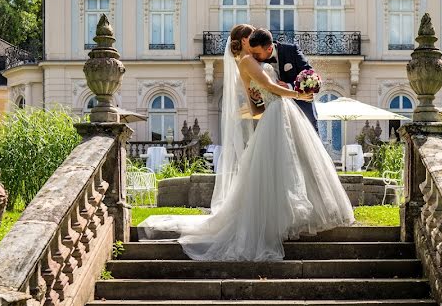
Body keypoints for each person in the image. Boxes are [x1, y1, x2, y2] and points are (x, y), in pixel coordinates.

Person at [138, 25, 354, 261]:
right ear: (243, 41)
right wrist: (296, 95)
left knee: (292, 165)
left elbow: (255, 106)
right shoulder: (246, 62)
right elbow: (270, 88)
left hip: (281, 113)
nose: (253, 39)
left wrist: (270, 101)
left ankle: (298, 215)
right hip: (278, 111)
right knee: (279, 169)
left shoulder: (252, 60)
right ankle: (279, 221)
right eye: (250, 36)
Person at [246, 29, 319, 133]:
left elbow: (311, 75)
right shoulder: (255, 63)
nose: (254, 57)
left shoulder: (291, 50)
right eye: (252, 53)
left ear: (269, 48)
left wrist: (289, 86)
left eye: (257, 54)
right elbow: (264, 93)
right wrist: (256, 99)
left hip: (302, 111)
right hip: (277, 118)